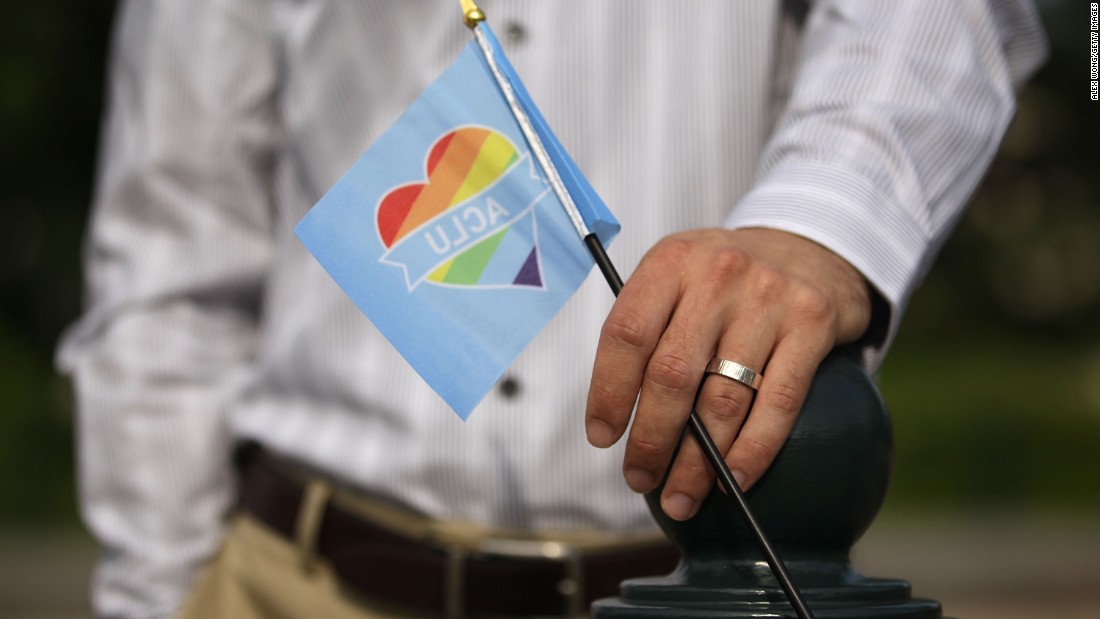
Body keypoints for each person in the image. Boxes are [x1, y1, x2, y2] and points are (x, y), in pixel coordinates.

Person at [58, 1, 1047, 617]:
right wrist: (160, 596)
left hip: (703, 594)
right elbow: (168, 263)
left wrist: (822, 219)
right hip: (294, 585)